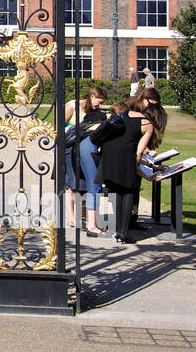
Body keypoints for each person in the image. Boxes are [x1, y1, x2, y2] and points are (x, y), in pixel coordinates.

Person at [94, 92, 168, 243]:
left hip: (109, 153)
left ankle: (117, 231)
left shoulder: (120, 114)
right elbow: (138, 153)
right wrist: (146, 175)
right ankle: (124, 232)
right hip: (127, 154)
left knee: (115, 189)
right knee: (128, 190)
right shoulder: (147, 124)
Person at [63, 86, 108, 235]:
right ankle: (72, 216)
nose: (99, 106)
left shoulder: (93, 111)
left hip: (84, 147)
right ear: (92, 96)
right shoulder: (73, 106)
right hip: (70, 145)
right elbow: (59, 126)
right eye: (98, 102)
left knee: (83, 182)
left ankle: (84, 216)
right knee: (72, 183)